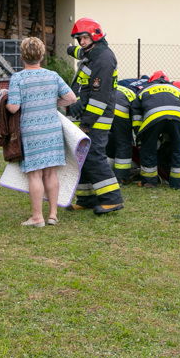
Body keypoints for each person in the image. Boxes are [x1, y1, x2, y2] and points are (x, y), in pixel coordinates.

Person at [5, 37, 77, 227]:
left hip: (31, 131)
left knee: (35, 174)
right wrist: (53, 103)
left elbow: (13, 107)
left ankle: (37, 217)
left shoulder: (18, 78)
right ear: (42, 55)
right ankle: (53, 215)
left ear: (22, 57)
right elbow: (71, 97)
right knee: (51, 173)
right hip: (52, 129)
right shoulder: (53, 75)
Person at [66, 17, 124, 214]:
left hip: (97, 116)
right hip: (87, 113)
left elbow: (100, 96)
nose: (81, 42)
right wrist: (68, 49)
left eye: (84, 37)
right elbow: (78, 52)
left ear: (95, 36)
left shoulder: (104, 58)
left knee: (93, 154)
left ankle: (112, 198)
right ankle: (87, 197)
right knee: (81, 154)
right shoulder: (91, 52)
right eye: (78, 39)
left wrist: (87, 122)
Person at [131, 73, 180, 189]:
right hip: (177, 118)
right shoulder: (176, 89)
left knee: (148, 148)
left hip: (153, 118)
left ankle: (149, 182)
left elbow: (136, 112)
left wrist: (139, 132)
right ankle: (178, 183)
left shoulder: (144, 90)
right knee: (179, 148)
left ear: (151, 81)